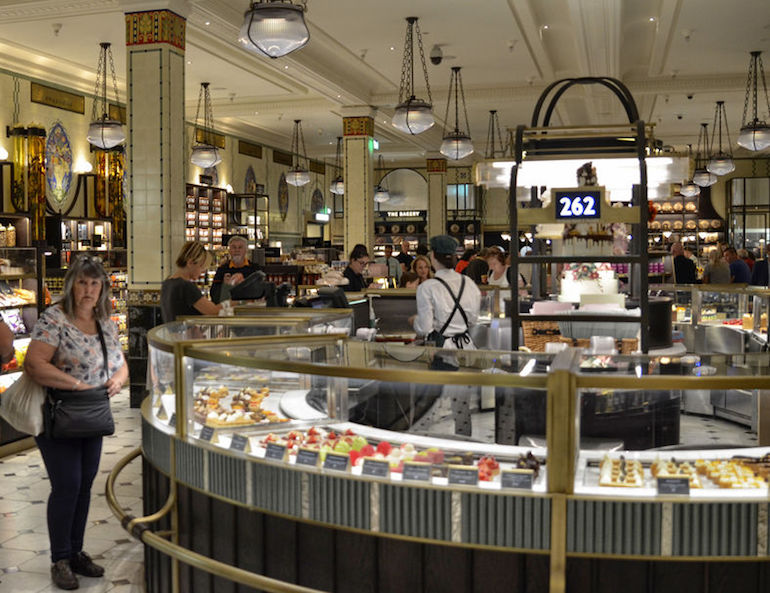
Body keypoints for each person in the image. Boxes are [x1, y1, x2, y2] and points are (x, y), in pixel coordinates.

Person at [24, 255, 128, 590]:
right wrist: (77, 385)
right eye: (82, 282)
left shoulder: (105, 322)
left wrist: (119, 380)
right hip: (59, 413)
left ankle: (77, 550)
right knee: (66, 484)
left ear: (102, 288)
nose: (88, 289)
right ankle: (60, 558)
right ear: (71, 285)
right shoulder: (54, 319)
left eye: (94, 283)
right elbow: (34, 364)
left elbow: (120, 362)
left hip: (92, 414)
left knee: (84, 485)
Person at [410, 235, 480, 436]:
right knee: (462, 406)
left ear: (433, 257)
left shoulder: (427, 288)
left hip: (443, 352)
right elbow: (473, 321)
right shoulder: (469, 284)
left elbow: (423, 327)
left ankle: (433, 448)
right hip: (467, 350)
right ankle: (463, 444)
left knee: (433, 408)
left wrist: (413, 321)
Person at [161, 241, 222, 323]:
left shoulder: (168, 282)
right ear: (190, 263)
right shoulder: (185, 286)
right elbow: (213, 311)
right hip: (184, 334)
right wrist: (233, 302)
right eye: (201, 267)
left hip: (172, 334)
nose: (202, 272)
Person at [210, 236, 261, 303]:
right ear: (229, 251)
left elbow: (261, 292)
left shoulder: (255, 269)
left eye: (240, 247)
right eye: (234, 247)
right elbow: (214, 295)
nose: (237, 250)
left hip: (249, 309)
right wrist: (225, 285)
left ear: (246, 250)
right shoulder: (222, 269)